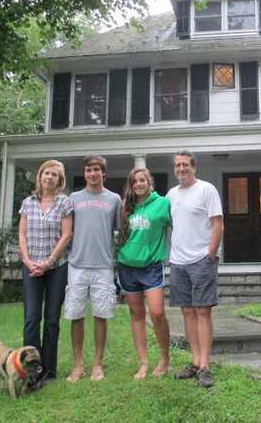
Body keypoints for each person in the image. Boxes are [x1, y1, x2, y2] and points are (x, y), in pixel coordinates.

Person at [167, 150, 223, 388]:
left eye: (185, 165)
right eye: (178, 165)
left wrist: (210, 254)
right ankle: (194, 362)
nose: (181, 169)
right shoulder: (170, 195)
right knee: (187, 312)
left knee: (203, 311)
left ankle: (205, 365)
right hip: (178, 262)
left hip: (201, 260)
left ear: (194, 167)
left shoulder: (206, 189)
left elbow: (217, 223)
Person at [64, 155, 122, 382]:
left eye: (96, 170)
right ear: (84, 173)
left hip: (103, 266)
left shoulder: (114, 199)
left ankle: (97, 364)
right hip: (77, 264)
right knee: (75, 315)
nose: (92, 174)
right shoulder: (74, 198)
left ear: (103, 173)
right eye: (89, 170)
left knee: (101, 315)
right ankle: (78, 365)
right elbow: (67, 230)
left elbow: (120, 231)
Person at [18, 159, 73, 388]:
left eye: (54, 175)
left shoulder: (64, 203)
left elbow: (67, 235)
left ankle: (48, 370)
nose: (49, 177)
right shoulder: (27, 203)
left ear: (60, 181)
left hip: (57, 267)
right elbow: (21, 234)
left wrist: (49, 262)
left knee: (51, 320)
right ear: (40, 176)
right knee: (31, 318)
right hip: (31, 268)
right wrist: (29, 261)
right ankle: (30, 369)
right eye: (46, 173)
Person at [117, 167, 172, 379]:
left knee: (157, 312)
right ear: (131, 186)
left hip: (151, 266)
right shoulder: (125, 207)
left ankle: (164, 358)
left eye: (142, 180)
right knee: (137, 314)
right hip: (127, 266)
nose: (138, 184)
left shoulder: (163, 204)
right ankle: (143, 362)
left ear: (150, 183)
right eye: (134, 181)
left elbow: (179, 225)